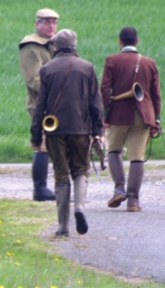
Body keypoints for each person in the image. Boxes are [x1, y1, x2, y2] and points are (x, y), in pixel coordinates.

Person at [31, 29, 104, 237]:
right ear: (74, 45)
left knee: (61, 174)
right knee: (81, 170)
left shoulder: (46, 69)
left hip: (55, 130)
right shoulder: (87, 68)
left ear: (55, 46)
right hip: (81, 128)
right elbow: (95, 103)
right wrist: (97, 131)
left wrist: (36, 134)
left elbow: (40, 106)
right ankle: (79, 206)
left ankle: (63, 227)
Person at [100, 26, 161, 212]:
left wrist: (104, 115)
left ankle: (119, 188)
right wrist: (156, 119)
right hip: (143, 115)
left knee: (114, 151)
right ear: (137, 41)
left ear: (120, 42)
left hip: (118, 113)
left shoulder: (112, 60)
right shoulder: (149, 63)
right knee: (137, 158)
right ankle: (133, 201)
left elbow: (104, 89)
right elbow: (155, 94)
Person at [19, 8, 60, 202]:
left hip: (56, 104)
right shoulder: (31, 47)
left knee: (52, 144)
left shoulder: (51, 46)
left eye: (54, 22)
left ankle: (53, 186)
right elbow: (33, 80)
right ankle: (40, 189)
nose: (51, 25)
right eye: (46, 22)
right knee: (43, 145)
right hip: (40, 104)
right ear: (37, 24)